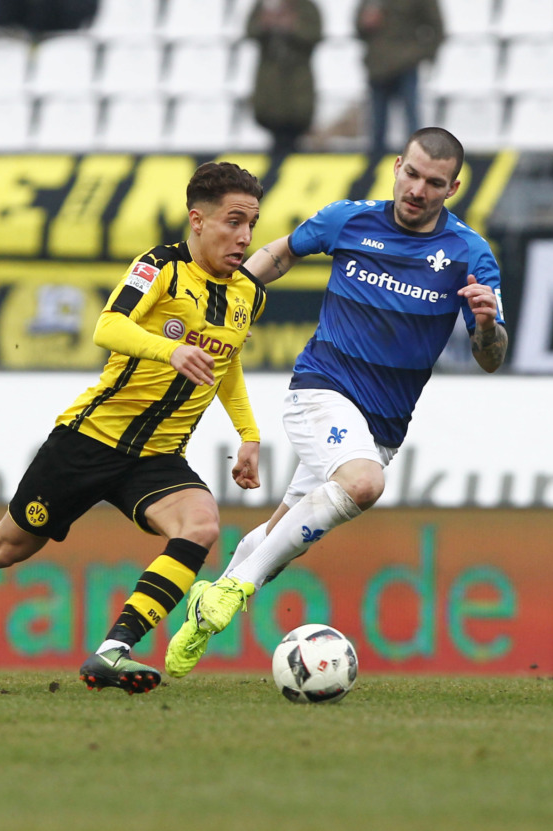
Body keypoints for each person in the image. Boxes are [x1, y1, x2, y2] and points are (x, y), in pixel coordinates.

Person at [0, 161, 267, 693]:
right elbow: (108, 326)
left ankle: (113, 650)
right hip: (89, 440)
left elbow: (227, 362)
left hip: (157, 455)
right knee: (4, 547)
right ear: (198, 220)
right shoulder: (159, 268)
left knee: (201, 526)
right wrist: (169, 350)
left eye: (251, 225)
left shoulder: (248, 294)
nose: (244, 237)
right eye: (233, 222)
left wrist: (248, 434)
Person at [165, 127, 508, 677]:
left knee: (282, 536)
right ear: (396, 166)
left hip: (382, 425)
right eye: (412, 174)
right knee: (364, 484)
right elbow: (279, 254)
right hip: (322, 388)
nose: (417, 189)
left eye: (433, 182)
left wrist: (487, 324)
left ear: (453, 188)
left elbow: (491, 357)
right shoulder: (348, 220)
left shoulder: (469, 254)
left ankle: (202, 617)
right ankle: (233, 588)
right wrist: (224, 302)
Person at [354, 0, 444, 163]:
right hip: (378, 65)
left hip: (405, 64)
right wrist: (365, 23)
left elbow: (436, 27)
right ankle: (375, 163)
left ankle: (417, 159)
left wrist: (423, 54)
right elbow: (358, 28)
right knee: (377, 122)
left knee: (411, 117)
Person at [245, 0, 323, 162]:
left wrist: (293, 26)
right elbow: (250, 31)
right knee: (273, 123)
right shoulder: (263, 5)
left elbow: (315, 35)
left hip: (297, 79)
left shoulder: (307, 7)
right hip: (270, 80)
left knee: (294, 126)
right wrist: (264, 24)